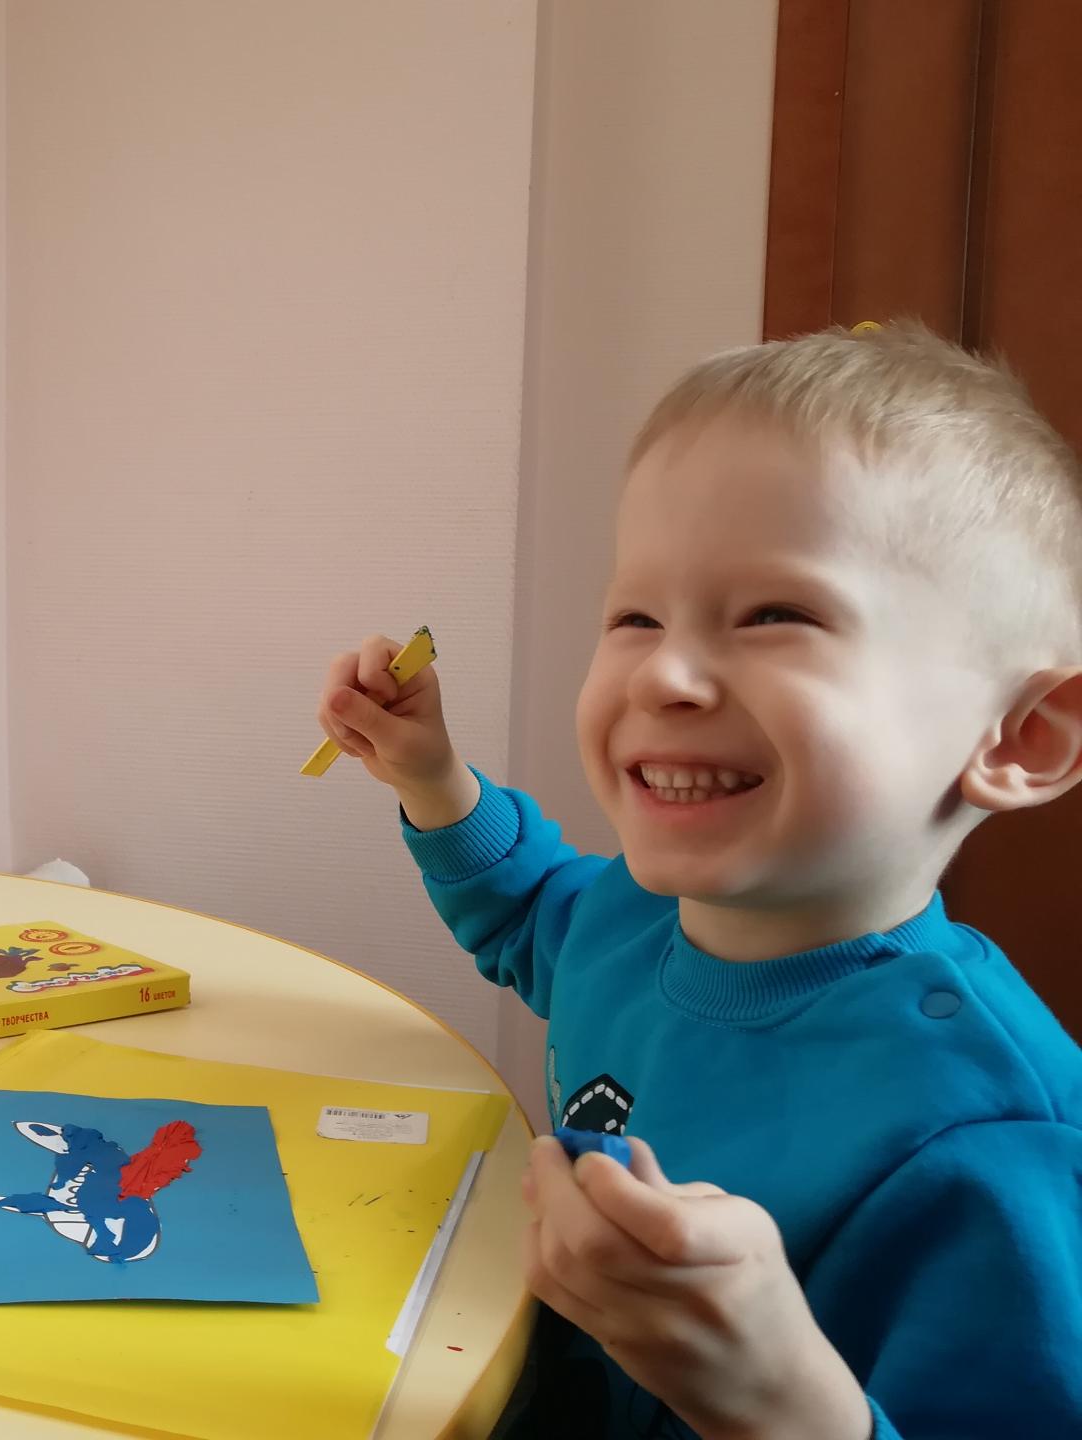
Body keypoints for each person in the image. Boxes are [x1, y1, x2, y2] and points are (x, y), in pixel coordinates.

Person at [316, 325, 1082, 1438]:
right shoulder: (635, 915)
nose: (665, 674)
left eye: (777, 616)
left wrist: (777, 1399)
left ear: (1021, 737)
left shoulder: (992, 1144)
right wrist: (429, 778)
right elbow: (533, 916)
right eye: (636, 617)